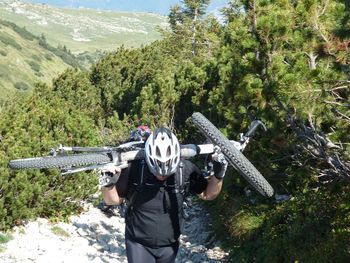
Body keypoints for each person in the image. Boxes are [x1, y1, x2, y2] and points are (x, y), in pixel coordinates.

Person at [101, 127, 228, 263]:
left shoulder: (185, 168)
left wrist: (219, 174)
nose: (161, 175)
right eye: (156, 170)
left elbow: (208, 194)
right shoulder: (135, 168)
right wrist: (108, 184)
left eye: (167, 170)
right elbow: (112, 201)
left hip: (170, 244)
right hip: (139, 243)